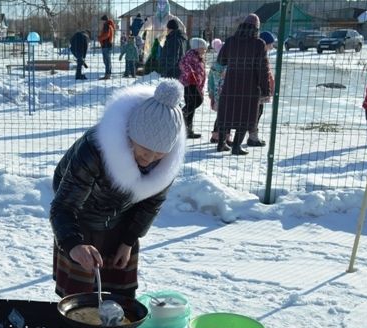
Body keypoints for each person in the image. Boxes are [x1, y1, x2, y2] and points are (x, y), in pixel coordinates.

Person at [50, 79, 186, 298]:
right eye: (143, 152)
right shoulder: (95, 149)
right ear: (129, 136)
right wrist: (73, 244)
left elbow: (151, 204)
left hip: (121, 218)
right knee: (78, 299)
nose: (149, 160)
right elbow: (63, 206)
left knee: (120, 295)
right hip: (79, 217)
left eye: (158, 155)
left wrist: (128, 240)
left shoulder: (166, 163)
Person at [216, 13, 270, 155]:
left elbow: (221, 60)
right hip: (250, 85)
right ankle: (236, 147)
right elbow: (263, 69)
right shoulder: (258, 44)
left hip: (231, 83)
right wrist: (266, 89)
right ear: (256, 28)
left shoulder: (230, 41)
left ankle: (221, 144)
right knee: (245, 116)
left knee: (226, 113)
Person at [246, 31, 276, 147]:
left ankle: (253, 136)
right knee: (255, 113)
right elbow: (262, 73)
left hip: (261, 88)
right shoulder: (259, 55)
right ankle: (252, 137)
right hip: (257, 89)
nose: (272, 47)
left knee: (258, 112)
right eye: (270, 44)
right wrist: (266, 87)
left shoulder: (262, 54)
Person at [179, 37, 208, 139]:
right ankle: (181, 114)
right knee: (197, 101)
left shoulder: (199, 57)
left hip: (196, 84)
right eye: (203, 48)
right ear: (197, 48)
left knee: (191, 104)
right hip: (190, 83)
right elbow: (183, 64)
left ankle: (188, 130)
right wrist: (191, 73)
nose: (205, 50)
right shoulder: (191, 55)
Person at [207, 38, 231, 146]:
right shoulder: (230, 66)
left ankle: (216, 135)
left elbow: (210, 81)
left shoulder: (214, 66)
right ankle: (224, 136)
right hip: (229, 94)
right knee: (229, 116)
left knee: (221, 116)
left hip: (217, 95)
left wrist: (211, 93)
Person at [97, 14, 115, 80]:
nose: (101, 22)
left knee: (106, 60)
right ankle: (108, 74)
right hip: (107, 45)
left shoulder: (107, 26)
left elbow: (106, 35)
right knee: (107, 61)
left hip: (106, 45)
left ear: (104, 20)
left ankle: (107, 75)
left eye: (102, 21)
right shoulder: (108, 25)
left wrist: (99, 38)